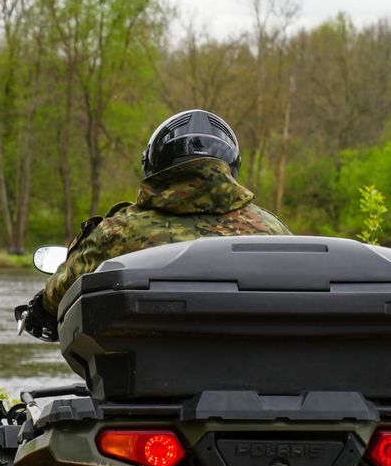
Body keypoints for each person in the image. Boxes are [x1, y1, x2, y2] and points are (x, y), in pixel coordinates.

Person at [18, 109, 290, 341]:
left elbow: (59, 295)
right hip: (260, 387)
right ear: (232, 166)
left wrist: (39, 311)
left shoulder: (119, 232)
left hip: (145, 390)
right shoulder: (271, 230)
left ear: (154, 165)